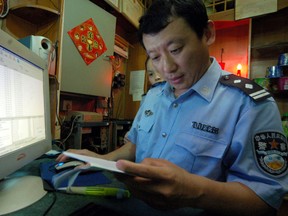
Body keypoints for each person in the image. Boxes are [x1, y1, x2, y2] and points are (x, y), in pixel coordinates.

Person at [57, 0, 288, 215]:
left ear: (207, 34)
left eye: (176, 50)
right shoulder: (154, 96)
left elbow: (266, 200)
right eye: (155, 57)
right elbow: (135, 148)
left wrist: (193, 192)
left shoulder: (249, 103)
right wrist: (99, 160)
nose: (166, 68)